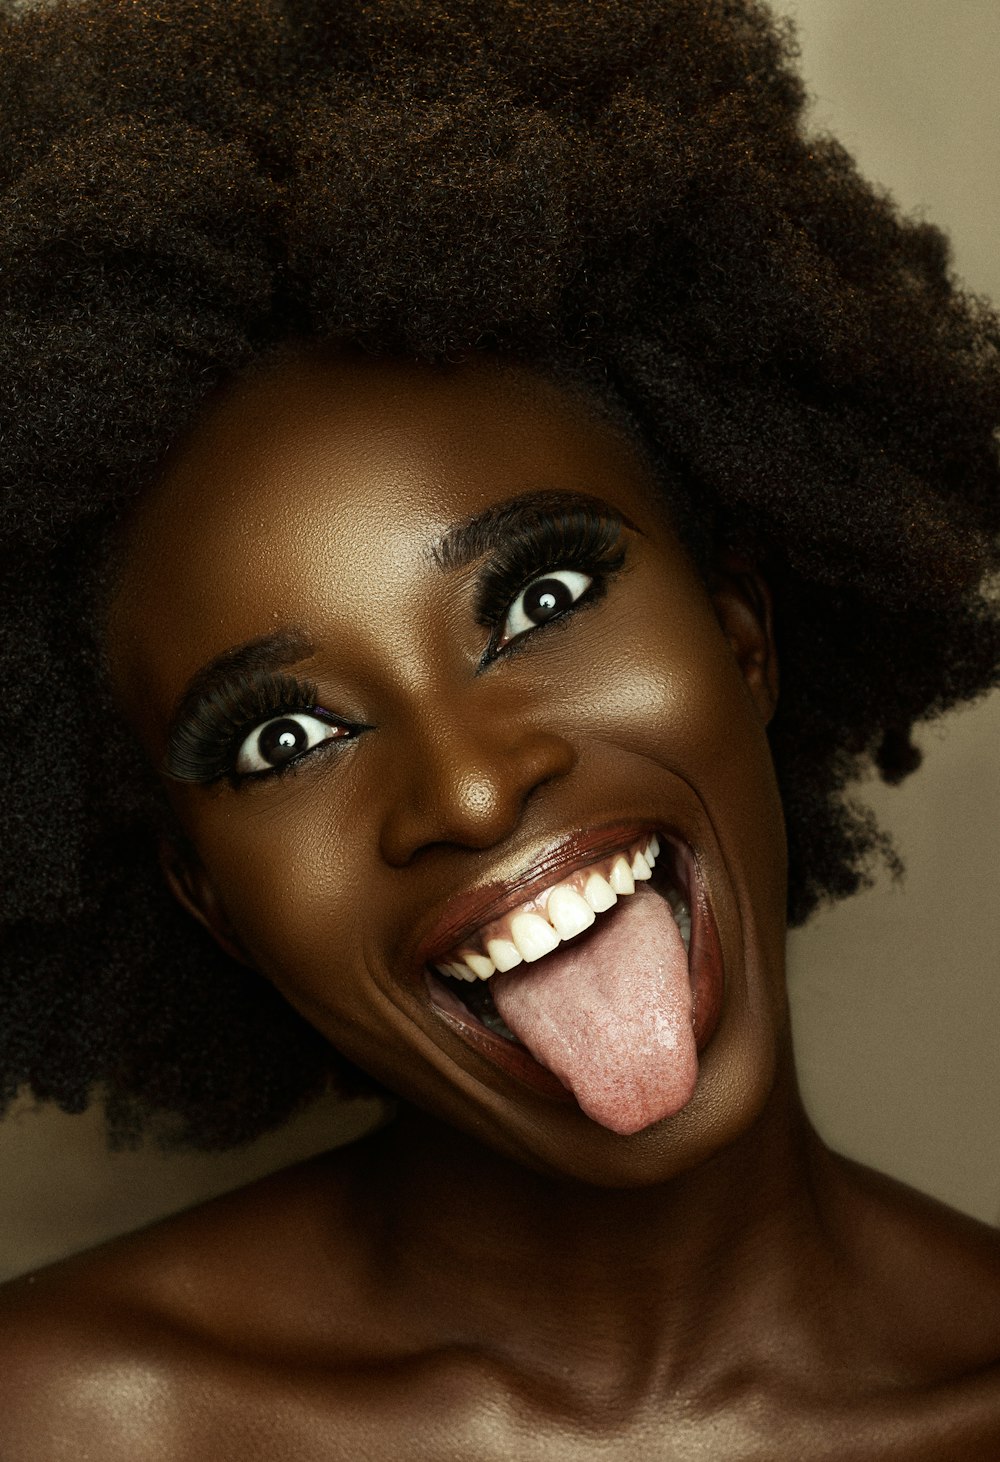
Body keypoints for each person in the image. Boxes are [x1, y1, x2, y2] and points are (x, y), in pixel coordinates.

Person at [1, 0, 999, 1455]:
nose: (468, 786)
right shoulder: (63, 1421)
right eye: (280, 741)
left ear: (742, 635)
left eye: (538, 598)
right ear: (208, 899)